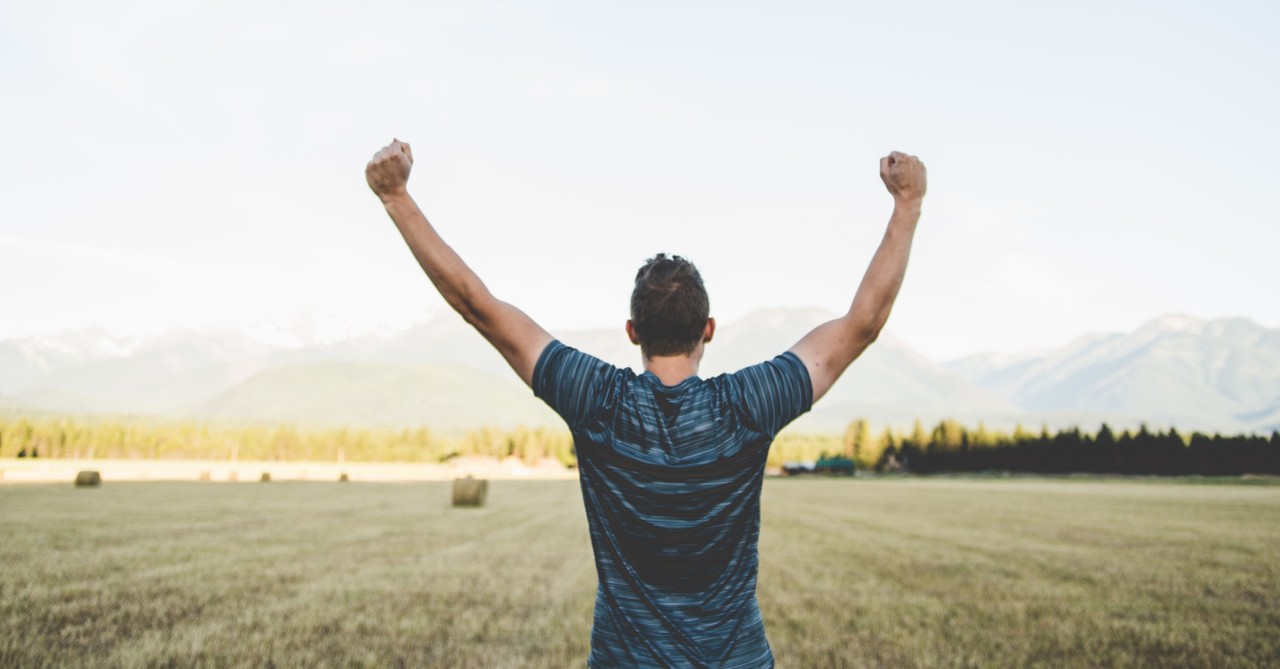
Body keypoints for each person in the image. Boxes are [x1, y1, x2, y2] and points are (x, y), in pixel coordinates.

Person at [366, 139, 926, 668]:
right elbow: (863, 323)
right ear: (708, 328)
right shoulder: (749, 405)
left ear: (633, 331)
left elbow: (477, 306)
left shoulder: (597, 401)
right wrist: (908, 203)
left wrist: (397, 198)